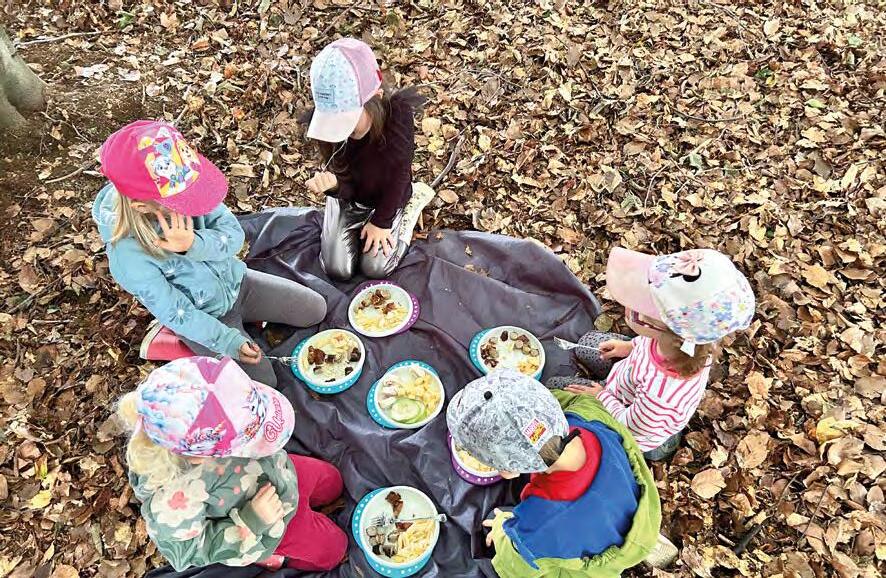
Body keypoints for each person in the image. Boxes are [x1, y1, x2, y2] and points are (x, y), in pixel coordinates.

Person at [92, 120, 327, 387]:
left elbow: (234, 236)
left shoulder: (189, 188)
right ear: (141, 207)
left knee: (315, 310)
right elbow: (177, 311)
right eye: (181, 202)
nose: (192, 204)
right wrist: (229, 341)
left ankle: (243, 325)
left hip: (238, 284)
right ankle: (176, 340)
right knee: (264, 383)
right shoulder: (128, 256)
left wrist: (193, 244)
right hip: (202, 315)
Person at [117, 356, 348, 572]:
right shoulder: (171, 501)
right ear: (200, 458)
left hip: (278, 471)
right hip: (271, 522)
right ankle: (273, 555)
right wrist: (253, 521)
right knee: (334, 549)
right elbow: (190, 551)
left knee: (333, 481)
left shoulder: (204, 405)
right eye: (252, 438)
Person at [447, 369, 669, 578]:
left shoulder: (543, 521)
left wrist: (502, 532)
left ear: (508, 471)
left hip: (584, 560)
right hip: (630, 514)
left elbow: (513, 567)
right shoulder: (588, 413)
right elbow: (559, 400)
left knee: (493, 525)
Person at [547, 247, 755, 460]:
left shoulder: (660, 396)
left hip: (635, 425)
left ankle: (664, 446)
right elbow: (649, 340)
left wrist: (601, 397)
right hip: (628, 382)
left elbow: (628, 427)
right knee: (586, 343)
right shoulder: (685, 341)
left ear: (668, 332)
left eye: (644, 307)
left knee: (553, 386)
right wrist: (628, 347)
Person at [304, 38, 435, 281]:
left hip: (387, 196)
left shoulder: (396, 117)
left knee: (376, 268)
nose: (340, 129)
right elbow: (345, 183)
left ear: (375, 96)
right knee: (337, 269)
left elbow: (399, 174)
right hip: (351, 198)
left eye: (346, 119)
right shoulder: (331, 133)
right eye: (332, 121)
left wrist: (382, 222)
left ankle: (410, 209)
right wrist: (334, 186)